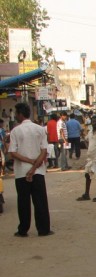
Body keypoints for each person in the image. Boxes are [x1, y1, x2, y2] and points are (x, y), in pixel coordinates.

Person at [8, 102, 53, 237]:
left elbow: (13, 153)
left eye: (16, 114)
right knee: (40, 201)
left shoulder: (15, 131)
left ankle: (23, 229)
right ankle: (43, 229)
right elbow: (44, 151)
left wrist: (29, 164)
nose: (15, 116)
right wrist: (34, 167)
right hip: (38, 171)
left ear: (20, 114)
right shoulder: (39, 129)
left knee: (23, 201)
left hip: (22, 172)